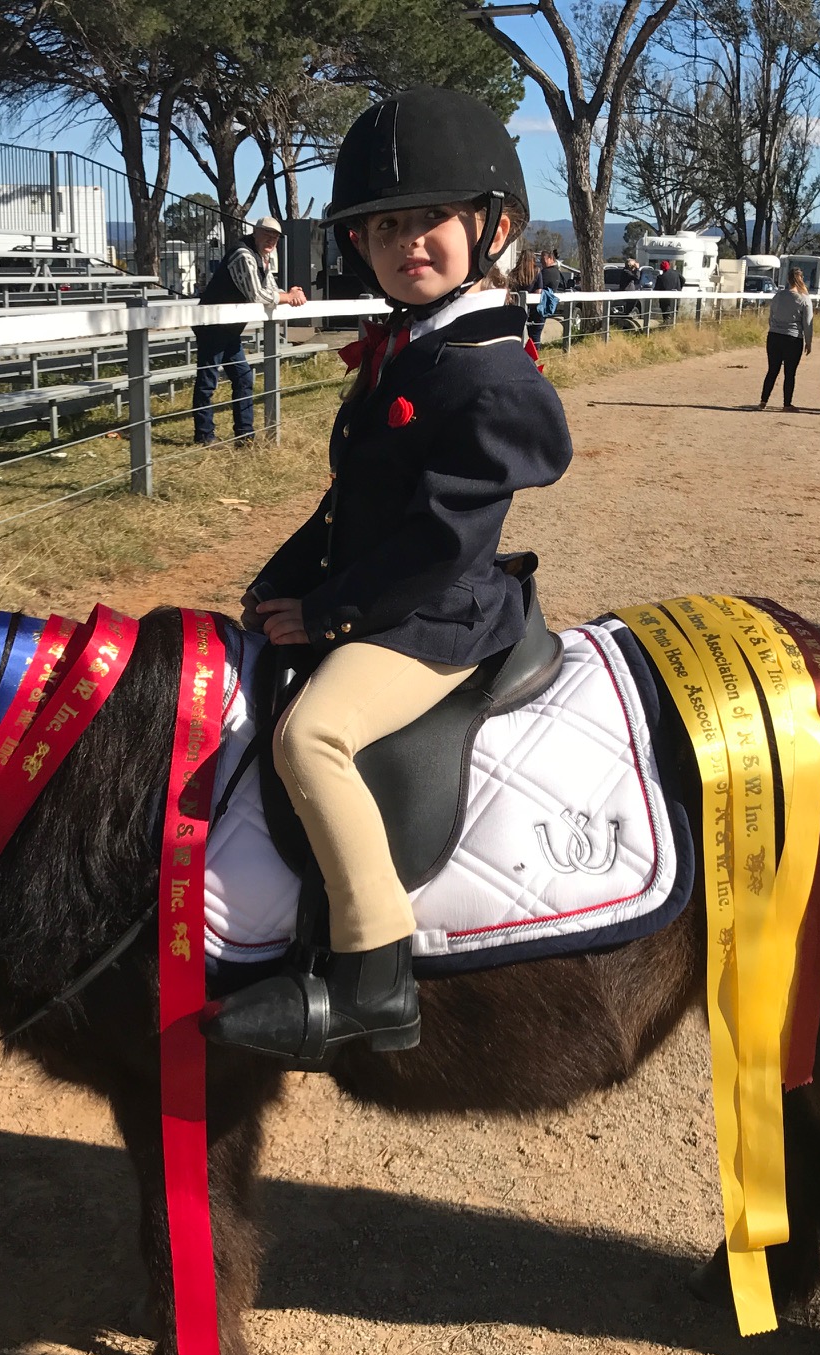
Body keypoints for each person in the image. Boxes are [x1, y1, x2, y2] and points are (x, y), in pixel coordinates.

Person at [203, 87, 572, 1065]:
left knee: (312, 737)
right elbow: (352, 505)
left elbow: (441, 542)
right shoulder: (417, 343)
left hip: (434, 614)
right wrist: (283, 578)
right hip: (388, 587)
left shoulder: (490, 368)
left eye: (430, 221)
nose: (408, 242)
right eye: (385, 227)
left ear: (490, 225)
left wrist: (328, 613)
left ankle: (374, 976)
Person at [192, 214, 307, 445]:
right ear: (255, 232)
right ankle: (204, 435)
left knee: (243, 378)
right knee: (208, 382)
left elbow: (271, 289)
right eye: (267, 234)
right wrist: (290, 297)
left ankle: (245, 435)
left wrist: (292, 294)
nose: (271, 241)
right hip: (212, 325)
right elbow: (258, 295)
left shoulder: (264, 258)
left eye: (275, 237)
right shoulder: (243, 254)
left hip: (231, 328)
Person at [756, 266, 815, 411]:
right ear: (801, 279)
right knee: (790, 372)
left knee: (772, 370)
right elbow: (807, 323)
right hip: (793, 338)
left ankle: (763, 401)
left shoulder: (778, 296)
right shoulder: (804, 299)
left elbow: (771, 316)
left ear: (788, 279)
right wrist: (808, 341)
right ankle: (786, 403)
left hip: (774, 336)